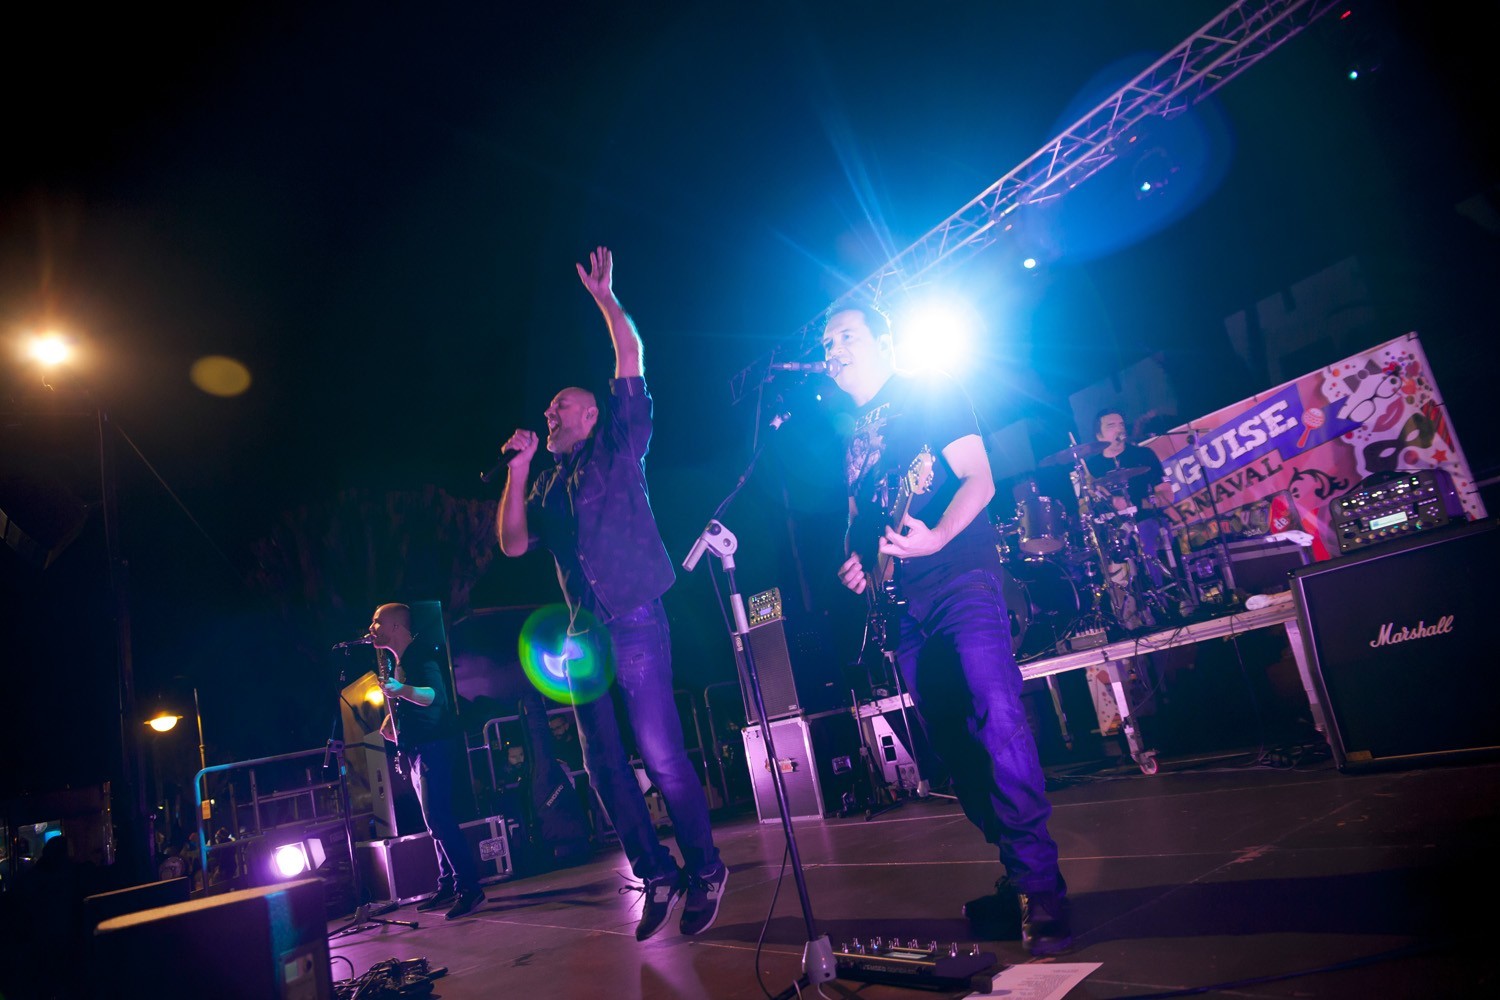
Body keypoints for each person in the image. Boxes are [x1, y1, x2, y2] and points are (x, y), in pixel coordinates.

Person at [821, 300, 1071, 956]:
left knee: (996, 714)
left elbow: (979, 479)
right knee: (952, 747)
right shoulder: (853, 439)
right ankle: (1019, 871)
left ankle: (1040, 886)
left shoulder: (930, 390)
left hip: (962, 580)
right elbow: (863, 521)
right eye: (825, 342)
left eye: (844, 335)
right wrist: (861, 564)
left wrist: (936, 536)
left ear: (882, 339)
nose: (831, 350)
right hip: (904, 606)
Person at [495, 246, 727, 941]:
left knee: (660, 753)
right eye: (549, 407)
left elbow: (631, 359)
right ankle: (656, 873)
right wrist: (518, 470)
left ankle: (706, 868)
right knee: (601, 765)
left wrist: (605, 299)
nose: (550, 411)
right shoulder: (544, 485)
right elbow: (512, 544)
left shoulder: (619, 445)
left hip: (636, 618)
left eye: (561, 405)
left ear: (592, 415)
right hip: (584, 635)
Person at [370, 601, 486, 920]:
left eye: (377, 622)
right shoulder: (400, 661)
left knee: (439, 818)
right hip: (420, 748)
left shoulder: (420, 654)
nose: (371, 629)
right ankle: (448, 883)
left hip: (435, 745)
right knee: (433, 820)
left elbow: (434, 695)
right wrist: (394, 723)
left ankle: (470, 888)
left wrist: (400, 690)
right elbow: (412, 701)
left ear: (396, 626)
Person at [1083, 408, 1177, 593]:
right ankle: (1125, 601)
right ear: (1099, 436)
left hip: (1146, 520)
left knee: (1143, 532)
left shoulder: (1143, 455)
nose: (1119, 429)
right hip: (1112, 529)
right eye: (1111, 425)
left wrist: (1135, 505)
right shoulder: (1091, 467)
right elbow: (1084, 507)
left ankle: (1161, 593)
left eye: (1121, 424)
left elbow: (1167, 496)